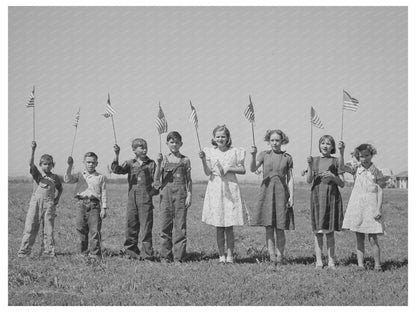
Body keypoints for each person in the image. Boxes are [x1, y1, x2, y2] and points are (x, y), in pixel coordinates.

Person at [199, 125, 246, 264]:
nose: (220, 139)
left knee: (229, 225)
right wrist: (203, 159)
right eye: (218, 136)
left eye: (223, 136)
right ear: (214, 138)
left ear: (228, 138)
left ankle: (230, 256)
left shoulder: (235, 151)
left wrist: (229, 168)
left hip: (230, 187)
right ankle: (221, 255)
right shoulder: (209, 151)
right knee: (219, 225)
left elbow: (243, 169)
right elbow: (207, 172)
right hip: (215, 187)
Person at [249, 129, 294, 266]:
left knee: (280, 227)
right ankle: (272, 257)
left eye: (277, 140)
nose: (275, 143)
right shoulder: (264, 155)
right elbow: (252, 168)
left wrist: (291, 196)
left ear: (282, 141)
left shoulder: (287, 157)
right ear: (268, 141)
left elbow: (290, 178)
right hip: (266, 193)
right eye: (272, 140)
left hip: (281, 193)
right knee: (269, 227)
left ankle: (280, 257)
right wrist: (253, 155)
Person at [338, 141, 386, 271]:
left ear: (372, 155)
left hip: (371, 206)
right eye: (361, 156)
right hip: (358, 205)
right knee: (359, 236)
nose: (364, 158)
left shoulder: (377, 171)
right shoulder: (356, 169)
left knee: (373, 237)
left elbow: (380, 191)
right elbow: (341, 167)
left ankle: (377, 265)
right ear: (358, 157)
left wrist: (378, 208)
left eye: (367, 155)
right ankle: (360, 265)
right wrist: (341, 151)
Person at [111, 138, 157, 260]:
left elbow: (158, 180)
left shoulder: (152, 163)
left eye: (146, 147)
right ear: (134, 150)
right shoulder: (130, 163)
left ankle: (147, 255)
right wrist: (116, 155)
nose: (144, 149)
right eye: (141, 147)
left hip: (146, 199)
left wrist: (153, 191)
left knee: (146, 227)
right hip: (132, 199)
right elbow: (116, 170)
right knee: (131, 225)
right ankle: (131, 253)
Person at [18, 141, 63, 258]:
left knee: (49, 229)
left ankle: (48, 251)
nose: (47, 166)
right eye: (44, 164)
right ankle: (24, 252)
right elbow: (30, 164)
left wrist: (56, 199)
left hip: (49, 204)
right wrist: (33, 150)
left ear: (53, 165)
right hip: (36, 204)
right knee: (31, 226)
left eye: (49, 164)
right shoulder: (37, 175)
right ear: (40, 165)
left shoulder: (55, 178)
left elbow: (60, 188)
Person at [306, 135, 344, 269]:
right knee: (318, 231)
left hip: (331, 197)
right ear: (319, 145)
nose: (325, 146)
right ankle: (319, 261)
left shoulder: (336, 161)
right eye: (323, 143)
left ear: (333, 147)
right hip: (317, 196)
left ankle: (331, 261)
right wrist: (310, 166)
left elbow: (342, 183)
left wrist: (333, 176)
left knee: (329, 232)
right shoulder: (314, 160)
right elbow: (309, 180)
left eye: (328, 143)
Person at [154, 131, 192, 263]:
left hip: (181, 194)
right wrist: (158, 164)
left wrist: (189, 195)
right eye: (171, 142)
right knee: (165, 226)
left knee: (180, 227)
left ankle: (179, 258)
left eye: (177, 142)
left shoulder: (185, 160)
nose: (174, 144)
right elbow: (156, 180)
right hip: (166, 195)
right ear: (167, 144)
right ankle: (165, 256)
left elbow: (189, 180)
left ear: (181, 143)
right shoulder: (163, 159)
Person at [65, 152, 107, 259]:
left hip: (94, 205)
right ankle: (82, 253)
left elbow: (104, 193)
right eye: (88, 162)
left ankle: (94, 254)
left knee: (94, 230)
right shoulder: (80, 175)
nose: (91, 164)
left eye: (93, 162)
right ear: (84, 162)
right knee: (80, 229)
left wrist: (104, 208)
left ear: (97, 163)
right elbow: (67, 179)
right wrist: (69, 166)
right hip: (81, 204)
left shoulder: (100, 177)